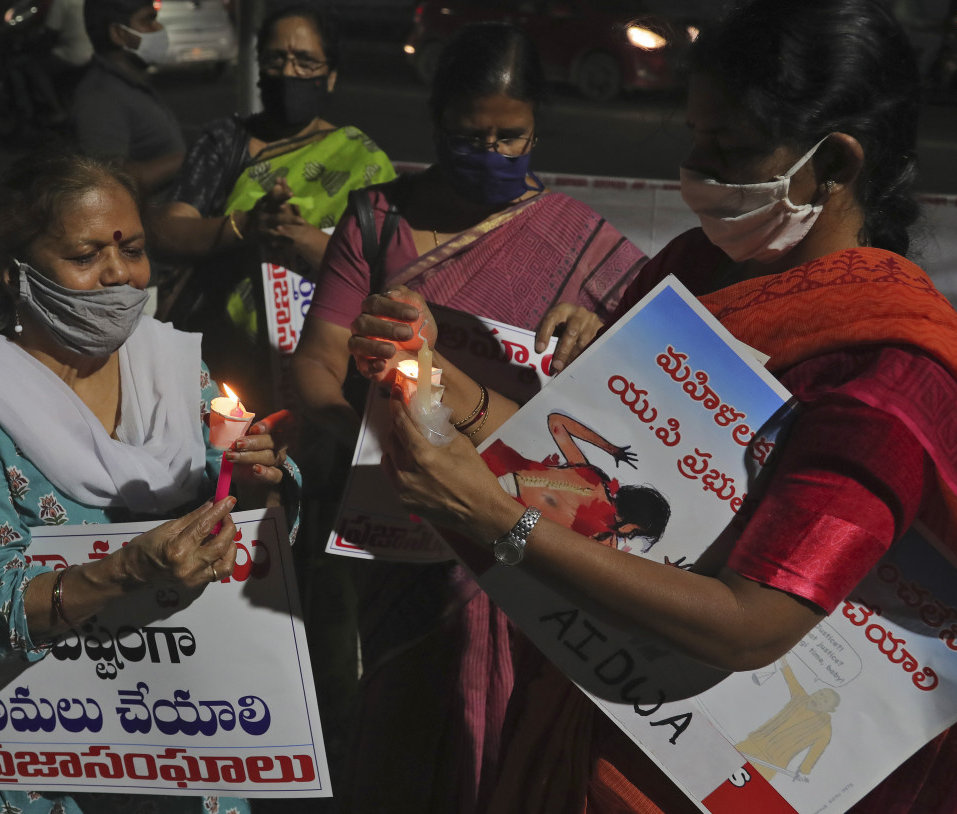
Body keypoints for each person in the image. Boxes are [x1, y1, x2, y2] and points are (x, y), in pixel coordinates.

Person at [347, 1, 957, 812]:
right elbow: (579, 471)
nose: (694, 170)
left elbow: (753, 622)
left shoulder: (885, 375)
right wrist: (436, 378)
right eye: (695, 139)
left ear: (833, 162)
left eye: (728, 149)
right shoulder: (695, 271)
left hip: (691, 775)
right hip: (584, 711)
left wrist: (498, 521)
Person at [0, 150, 298, 814]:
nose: (118, 275)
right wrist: (124, 573)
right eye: (86, 254)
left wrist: (259, 476)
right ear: (16, 274)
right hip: (37, 761)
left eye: (132, 249)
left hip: (184, 747)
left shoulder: (174, 375)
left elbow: (256, 514)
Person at [292, 22, 647, 814]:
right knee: (404, 704)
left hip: (527, 530)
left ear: (537, 128)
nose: (490, 152)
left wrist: (597, 337)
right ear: (436, 122)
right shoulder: (378, 222)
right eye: (467, 135)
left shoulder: (576, 244)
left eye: (509, 136)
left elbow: (642, 382)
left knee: (516, 714)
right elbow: (319, 359)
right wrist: (366, 443)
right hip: (402, 513)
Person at [151, 2, 396, 411]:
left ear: (330, 75)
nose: (288, 73)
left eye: (305, 62)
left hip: (315, 360)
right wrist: (245, 225)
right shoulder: (224, 141)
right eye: (276, 59)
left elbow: (381, 273)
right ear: (260, 67)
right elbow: (168, 230)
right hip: (211, 352)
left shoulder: (363, 160)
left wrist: (300, 236)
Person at [484, 412, 671, 552]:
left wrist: (610, 449)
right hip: (495, 494)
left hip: (500, 508)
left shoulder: (593, 479)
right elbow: (556, 421)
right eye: (636, 532)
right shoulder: (604, 536)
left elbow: (557, 422)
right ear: (635, 518)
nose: (631, 536)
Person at [74, 0, 186, 194]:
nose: (158, 28)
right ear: (118, 34)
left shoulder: (128, 83)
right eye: (148, 20)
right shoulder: (101, 98)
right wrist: (188, 158)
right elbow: (109, 183)